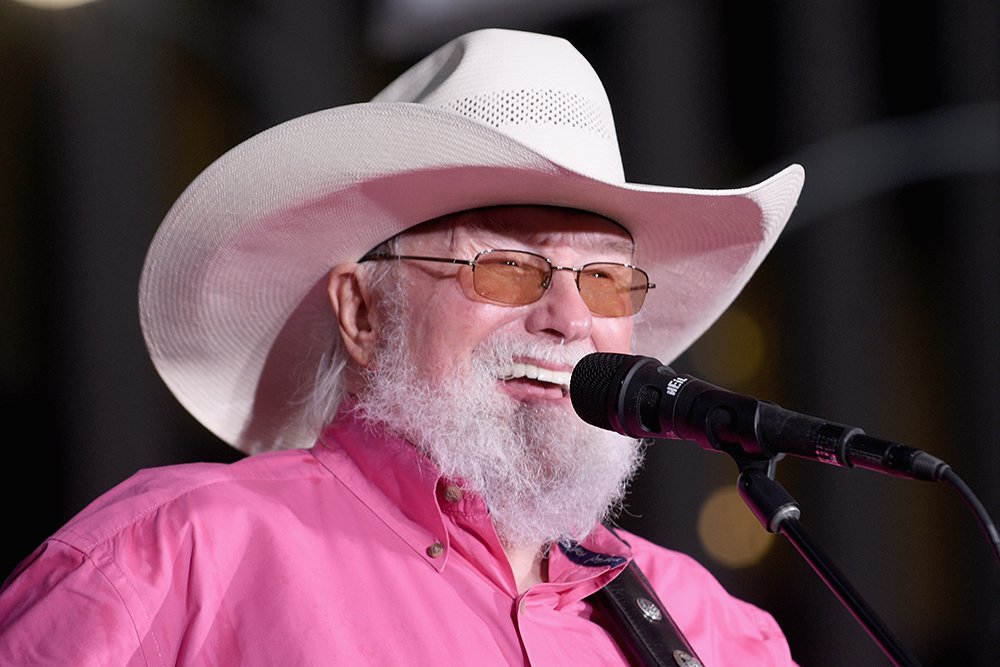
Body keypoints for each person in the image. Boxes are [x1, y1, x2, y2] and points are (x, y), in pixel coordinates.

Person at [0, 28, 804, 665]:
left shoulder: (721, 632)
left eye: (604, 279)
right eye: (507, 266)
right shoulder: (170, 557)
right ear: (361, 310)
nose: (568, 316)